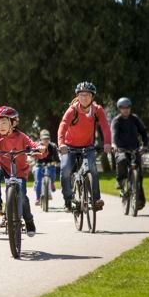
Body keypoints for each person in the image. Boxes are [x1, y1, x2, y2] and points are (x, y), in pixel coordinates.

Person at [0, 106, 45, 236]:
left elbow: (33, 145)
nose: (0, 126)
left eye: (4, 122)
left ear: (13, 123)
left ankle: (29, 220)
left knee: (23, 198)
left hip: (19, 171)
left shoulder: (22, 137)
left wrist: (40, 148)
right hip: (2, 166)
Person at [57, 81, 112, 212]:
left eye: (87, 95)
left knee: (92, 168)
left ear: (92, 97)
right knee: (65, 169)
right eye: (81, 95)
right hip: (69, 146)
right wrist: (61, 144)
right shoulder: (72, 110)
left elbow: (105, 127)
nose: (84, 97)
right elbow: (62, 126)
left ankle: (96, 199)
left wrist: (108, 143)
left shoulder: (97, 110)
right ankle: (68, 200)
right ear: (77, 96)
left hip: (88, 146)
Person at [112, 97, 149, 207]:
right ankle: (120, 181)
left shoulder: (135, 119)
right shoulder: (116, 121)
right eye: (123, 108)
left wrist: (145, 145)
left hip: (135, 149)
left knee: (139, 176)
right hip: (121, 149)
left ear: (130, 108)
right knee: (122, 160)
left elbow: (143, 132)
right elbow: (114, 134)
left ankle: (140, 201)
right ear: (119, 109)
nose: (125, 110)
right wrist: (114, 145)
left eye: (127, 107)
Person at [33, 129, 60, 206]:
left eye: (47, 139)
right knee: (38, 181)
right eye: (44, 139)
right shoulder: (38, 146)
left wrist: (56, 163)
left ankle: (52, 183)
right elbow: (35, 157)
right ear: (41, 139)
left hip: (50, 164)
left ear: (49, 139)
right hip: (39, 164)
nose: (46, 140)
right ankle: (38, 198)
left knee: (53, 173)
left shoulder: (53, 146)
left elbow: (56, 158)